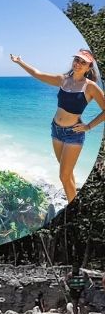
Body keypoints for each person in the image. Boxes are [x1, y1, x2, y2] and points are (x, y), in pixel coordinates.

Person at [12, 50, 105, 203]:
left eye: (83, 62)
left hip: (73, 133)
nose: (78, 64)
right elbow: (37, 74)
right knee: (67, 174)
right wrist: (19, 62)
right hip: (56, 130)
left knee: (63, 176)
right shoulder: (63, 80)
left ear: (89, 67)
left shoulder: (90, 87)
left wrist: (88, 126)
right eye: (77, 60)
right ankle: (74, 200)